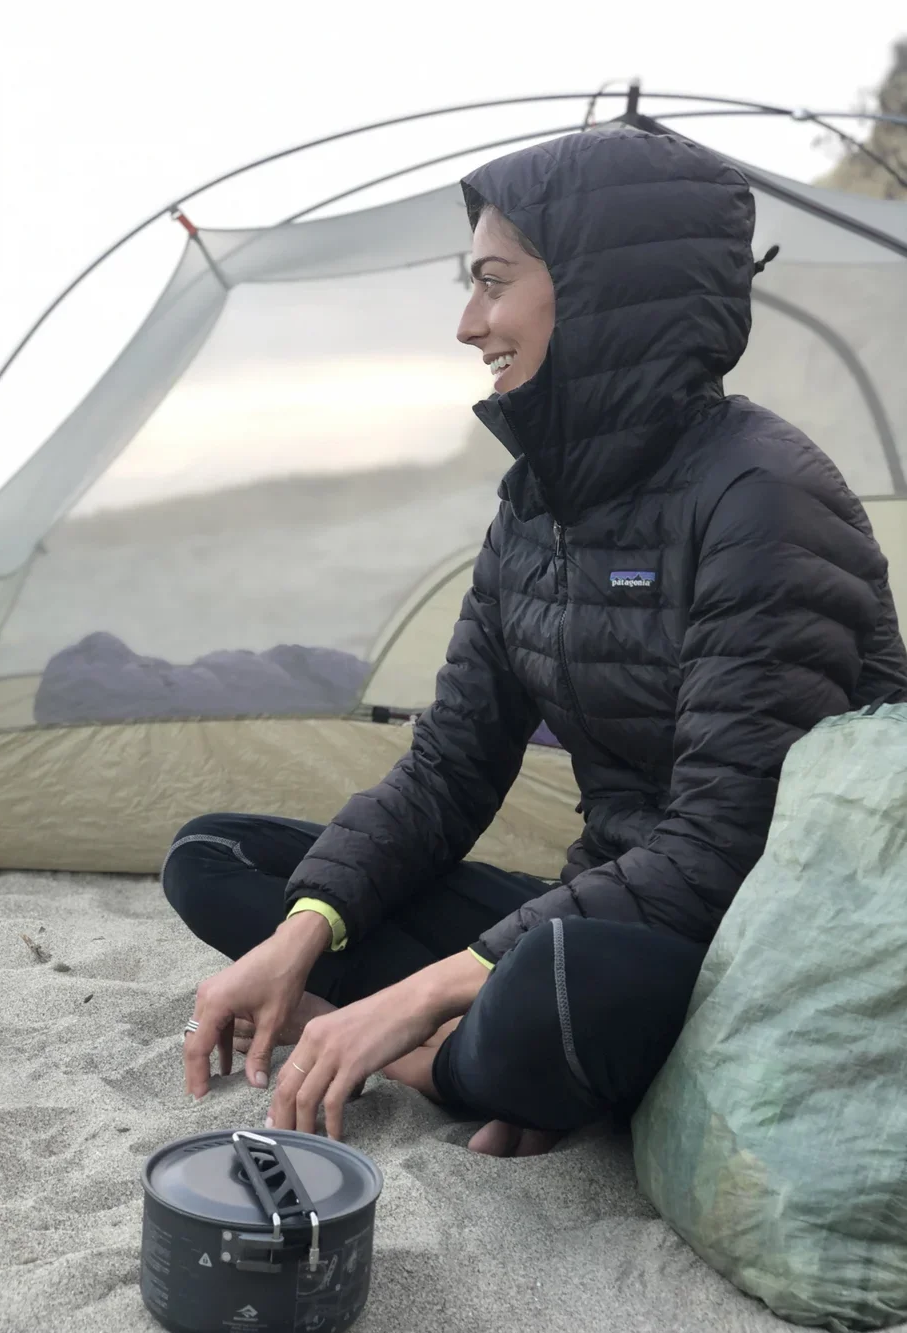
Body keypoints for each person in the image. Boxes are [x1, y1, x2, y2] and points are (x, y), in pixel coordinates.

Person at [164, 124, 907, 1156]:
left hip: (745, 939)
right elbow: (448, 768)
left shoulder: (762, 496)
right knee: (216, 858)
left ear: (596, 290)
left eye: (494, 282)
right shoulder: (536, 508)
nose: (469, 324)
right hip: (592, 908)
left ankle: (425, 1051)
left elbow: (725, 847)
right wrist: (303, 937)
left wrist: (414, 1001)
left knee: (556, 996)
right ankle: (455, 1043)